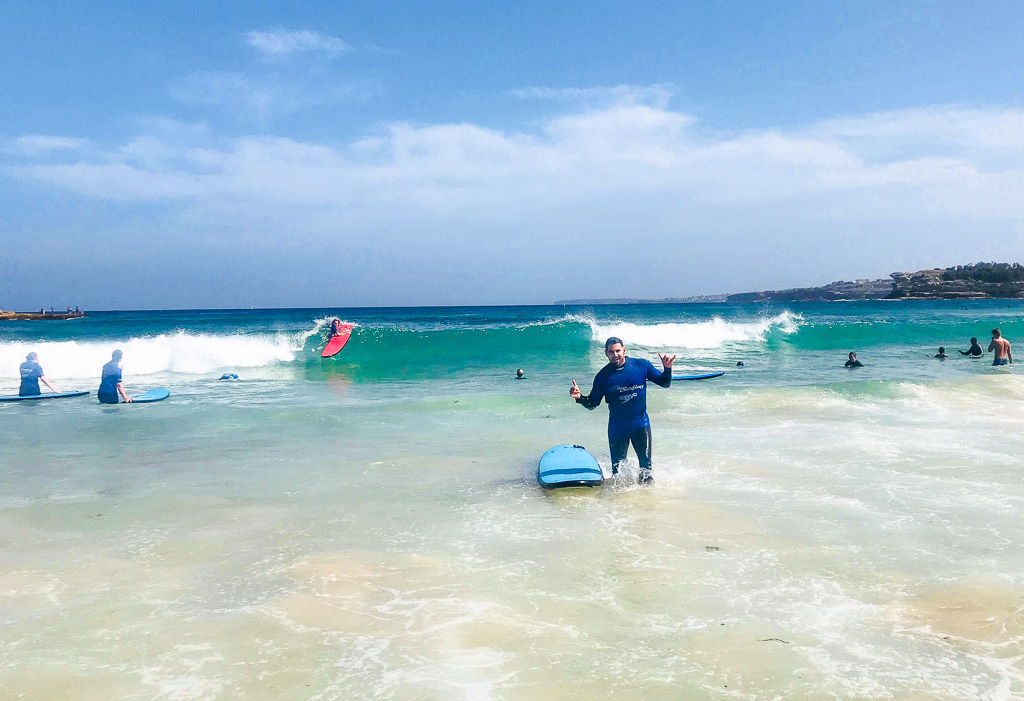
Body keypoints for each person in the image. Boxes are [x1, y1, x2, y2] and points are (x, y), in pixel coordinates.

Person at [569, 337, 674, 484]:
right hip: (617, 428)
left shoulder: (641, 366)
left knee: (646, 470)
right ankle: (620, 505)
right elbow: (592, 403)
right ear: (606, 353)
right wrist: (579, 398)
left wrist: (667, 368)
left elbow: (665, 383)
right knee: (618, 475)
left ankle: (647, 503)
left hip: (640, 424)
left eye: (618, 351)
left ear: (624, 350)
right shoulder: (603, 377)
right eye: (611, 352)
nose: (615, 354)